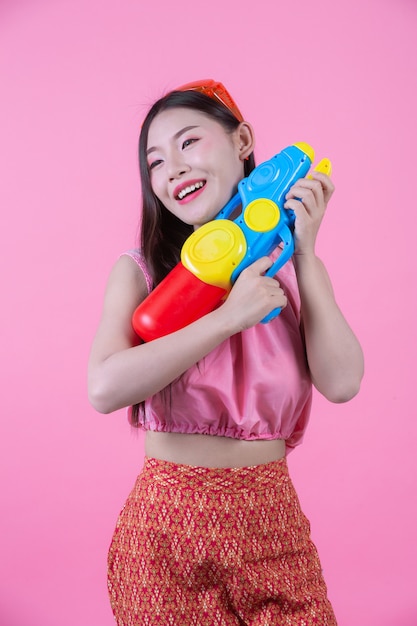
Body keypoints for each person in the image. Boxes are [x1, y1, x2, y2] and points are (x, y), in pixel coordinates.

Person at [88, 79, 364, 626]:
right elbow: (104, 387)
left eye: (189, 143)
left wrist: (306, 254)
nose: (173, 169)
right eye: (155, 162)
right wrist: (226, 319)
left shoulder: (291, 272)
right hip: (165, 539)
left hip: (272, 524)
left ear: (243, 142)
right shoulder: (141, 272)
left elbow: (343, 382)